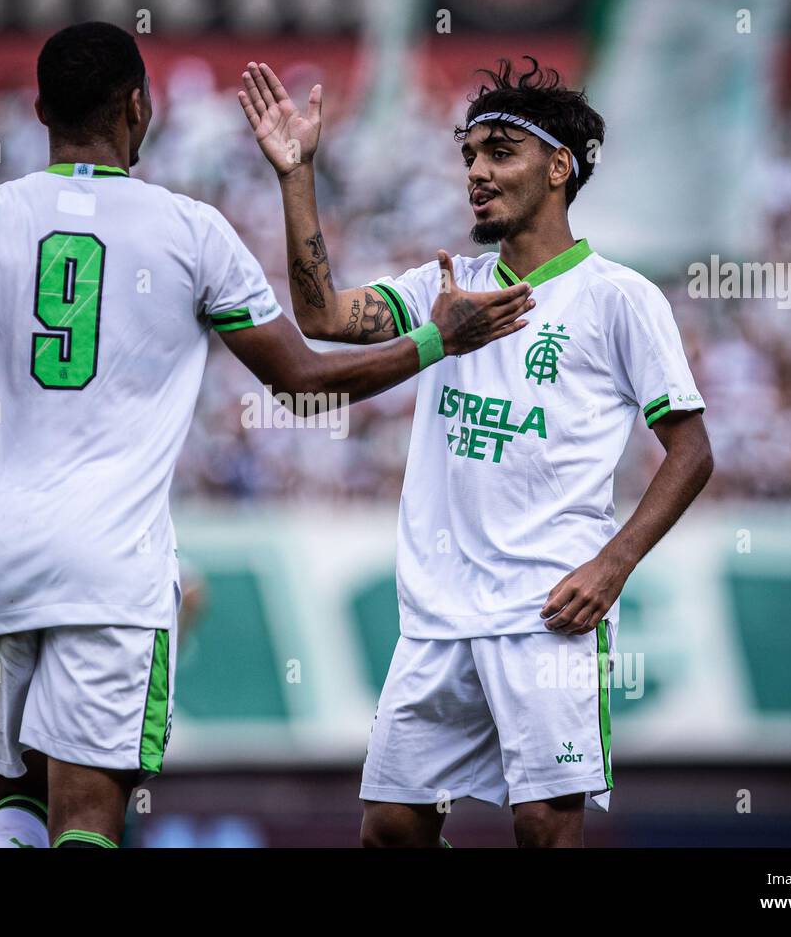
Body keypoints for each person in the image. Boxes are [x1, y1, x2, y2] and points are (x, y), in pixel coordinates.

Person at [0, 23, 535, 849]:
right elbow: (303, 382)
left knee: (17, 809)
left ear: (38, 109)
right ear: (139, 107)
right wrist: (436, 342)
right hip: (112, 571)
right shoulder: (191, 231)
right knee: (88, 820)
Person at [239, 57, 713, 847]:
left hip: (547, 608)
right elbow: (320, 317)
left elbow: (691, 452)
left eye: (499, 152)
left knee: (543, 832)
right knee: (390, 829)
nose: (476, 173)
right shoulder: (444, 286)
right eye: (469, 156)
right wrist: (297, 176)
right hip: (438, 613)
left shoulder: (618, 298)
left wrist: (612, 565)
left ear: (559, 167)